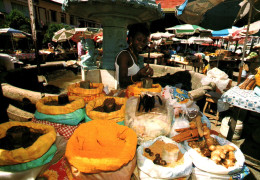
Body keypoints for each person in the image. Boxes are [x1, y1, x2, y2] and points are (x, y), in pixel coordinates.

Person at [115, 23, 153, 88]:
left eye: (144, 41)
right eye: (139, 40)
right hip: (126, 95)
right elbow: (122, 82)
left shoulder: (135, 55)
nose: (141, 43)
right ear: (131, 39)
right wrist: (138, 75)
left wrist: (146, 74)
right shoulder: (124, 55)